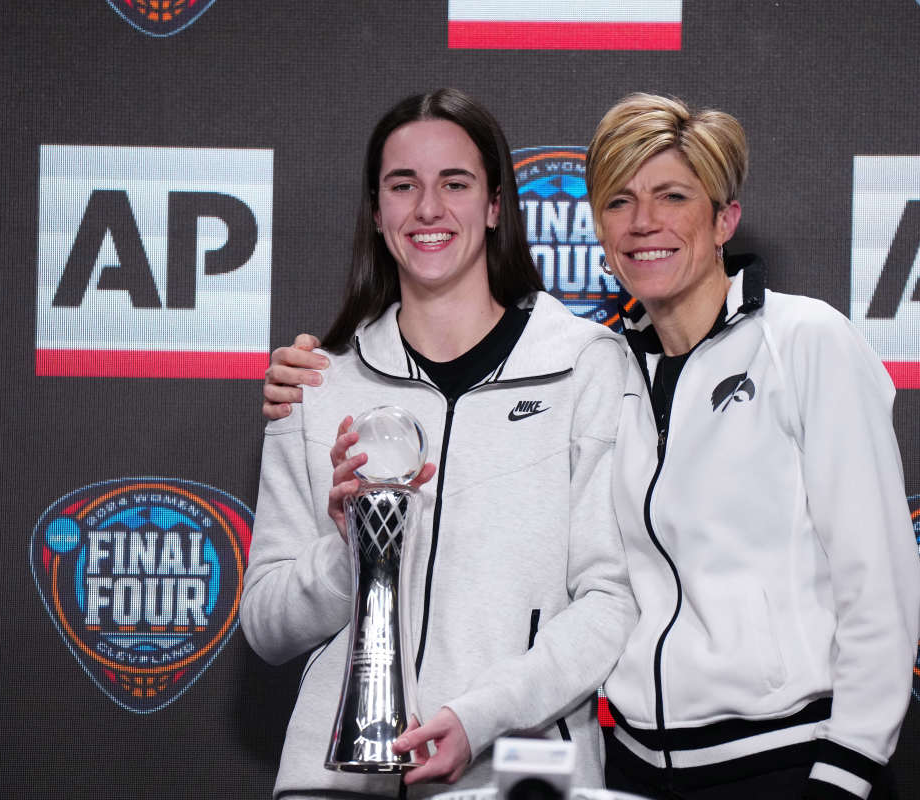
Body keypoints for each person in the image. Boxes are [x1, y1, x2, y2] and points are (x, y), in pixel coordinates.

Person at [265, 92, 920, 800]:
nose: (644, 222)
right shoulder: (618, 368)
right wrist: (352, 549)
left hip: (770, 758)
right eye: (619, 202)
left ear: (724, 217)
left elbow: (879, 583)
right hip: (632, 771)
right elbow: (270, 622)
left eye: (673, 196)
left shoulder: (782, 345)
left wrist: (848, 767)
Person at [241, 88, 636, 800]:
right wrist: (349, 551)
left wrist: (478, 717)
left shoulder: (585, 366)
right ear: (376, 211)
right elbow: (267, 626)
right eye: (403, 185)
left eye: (455, 183)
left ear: (494, 205)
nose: (428, 208)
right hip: (334, 782)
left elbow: (610, 601)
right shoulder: (316, 384)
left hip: (514, 774)